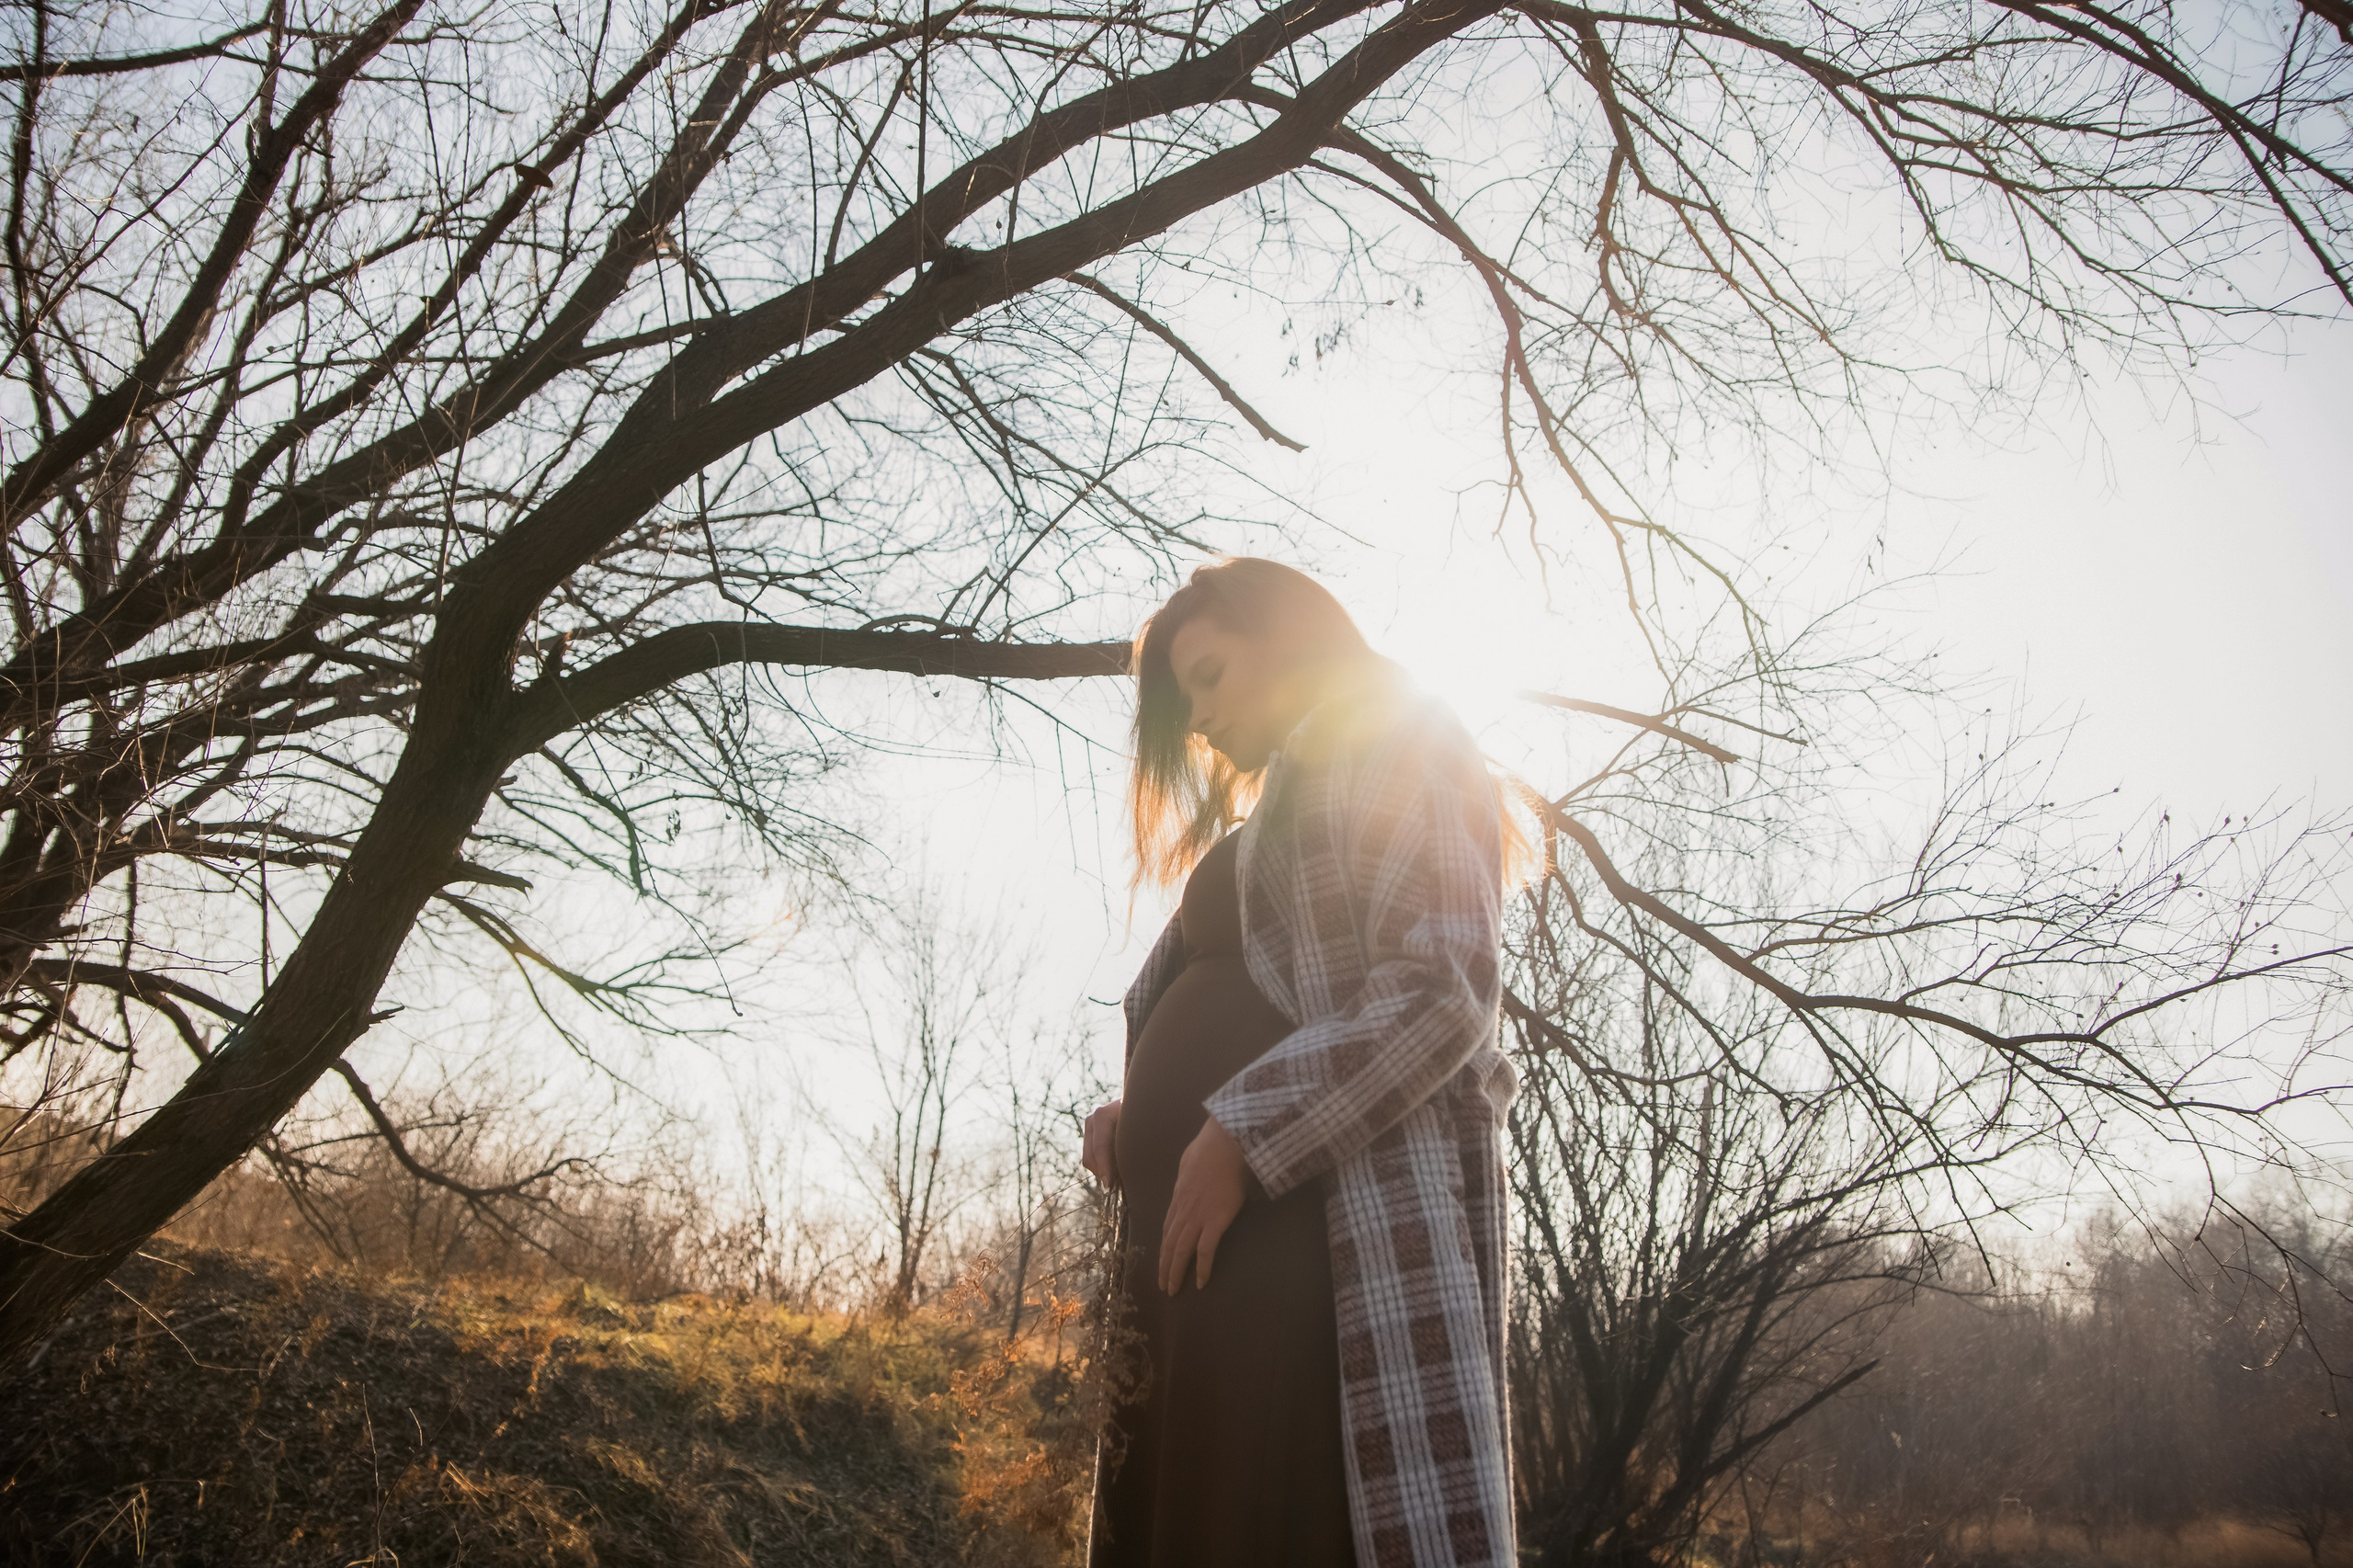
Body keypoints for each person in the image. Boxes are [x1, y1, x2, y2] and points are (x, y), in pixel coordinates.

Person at [1081, 557, 1520, 1568]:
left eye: (1208, 676)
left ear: (1282, 638)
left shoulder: (1402, 739)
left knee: (1274, 1519)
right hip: (1193, 1249)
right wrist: (1133, 1110)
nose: (1193, 720)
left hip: (1317, 1231)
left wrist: (1243, 1128)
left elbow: (1443, 981)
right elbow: (1221, 986)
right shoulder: (1267, 814)